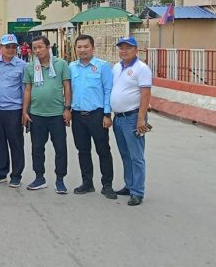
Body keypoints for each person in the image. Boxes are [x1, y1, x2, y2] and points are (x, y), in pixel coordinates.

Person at [22, 35, 71, 194]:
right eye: (34, 48)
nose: (37, 50)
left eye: (40, 47)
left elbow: (67, 86)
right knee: (37, 148)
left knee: (60, 148)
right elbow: (28, 89)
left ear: (48, 47)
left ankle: (60, 179)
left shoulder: (61, 64)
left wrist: (67, 108)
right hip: (36, 114)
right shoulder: (30, 67)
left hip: (57, 114)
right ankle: (39, 177)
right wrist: (25, 111)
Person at [69, 34, 116, 199]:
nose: (82, 50)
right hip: (77, 115)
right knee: (82, 150)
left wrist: (107, 114)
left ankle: (107, 185)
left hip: (97, 114)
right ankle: (87, 182)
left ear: (93, 48)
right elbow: (68, 90)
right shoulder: (71, 67)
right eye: (79, 47)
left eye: (86, 46)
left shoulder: (102, 66)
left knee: (103, 150)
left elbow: (108, 90)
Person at [110, 37, 152, 206]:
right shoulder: (116, 67)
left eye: (128, 47)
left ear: (136, 50)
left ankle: (138, 191)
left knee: (136, 156)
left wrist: (141, 119)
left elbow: (145, 94)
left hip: (133, 118)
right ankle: (129, 185)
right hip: (119, 118)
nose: (124, 51)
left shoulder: (142, 68)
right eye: (121, 48)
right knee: (125, 154)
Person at [0, 34, 27, 187]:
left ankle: (16, 175)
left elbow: (25, 90)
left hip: (14, 110)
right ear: (1, 48)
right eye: (7, 47)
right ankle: (0, 172)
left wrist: (24, 112)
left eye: (13, 47)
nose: (10, 50)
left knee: (16, 143)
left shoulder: (22, 66)